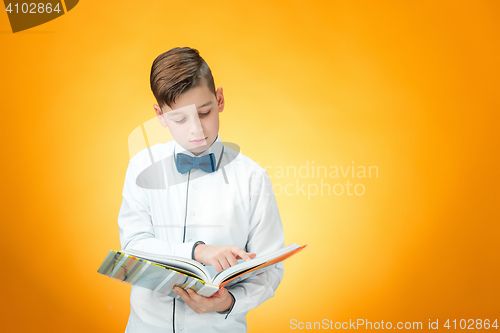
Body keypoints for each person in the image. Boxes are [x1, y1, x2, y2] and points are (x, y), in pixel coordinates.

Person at [117, 47, 285, 333]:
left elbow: (269, 271)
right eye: (180, 119)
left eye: (204, 112)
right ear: (160, 115)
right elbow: (133, 248)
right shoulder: (141, 166)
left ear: (219, 99)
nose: (196, 130)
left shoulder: (252, 178)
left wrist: (228, 302)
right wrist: (197, 252)